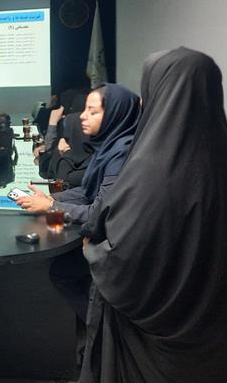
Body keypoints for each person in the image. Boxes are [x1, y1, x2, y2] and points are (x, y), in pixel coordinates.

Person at [77, 48, 227, 383]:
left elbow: (126, 264)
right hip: (221, 332)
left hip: (157, 346)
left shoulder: (150, 170)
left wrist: (93, 250)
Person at [16, 84, 140, 323]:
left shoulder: (121, 153)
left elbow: (99, 211)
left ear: (115, 114)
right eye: (85, 110)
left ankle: (97, 330)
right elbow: (88, 191)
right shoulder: (108, 146)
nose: (82, 116)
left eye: (92, 112)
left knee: (61, 272)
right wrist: (53, 199)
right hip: (105, 235)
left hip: (116, 245)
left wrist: (51, 208)